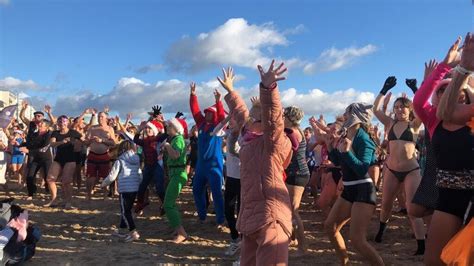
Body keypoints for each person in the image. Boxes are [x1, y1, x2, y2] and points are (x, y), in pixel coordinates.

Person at [220, 62, 293, 265]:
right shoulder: (250, 141)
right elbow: (242, 115)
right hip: (251, 217)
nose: (248, 121)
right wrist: (231, 91)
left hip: (271, 219)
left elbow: (273, 119)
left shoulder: (273, 143)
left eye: (254, 118)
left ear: (262, 124)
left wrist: (268, 89)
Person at [421, 34, 474, 266]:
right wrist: (462, 69)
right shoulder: (441, 117)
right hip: (448, 192)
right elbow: (444, 112)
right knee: (434, 262)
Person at [322, 103, 384, 266]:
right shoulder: (345, 135)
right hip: (349, 188)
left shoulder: (364, 138)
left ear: (356, 116)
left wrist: (347, 152)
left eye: (347, 112)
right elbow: (338, 161)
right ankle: (345, 263)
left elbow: (362, 168)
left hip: (363, 189)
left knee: (357, 240)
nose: (344, 115)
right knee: (330, 227)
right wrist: (330, 148)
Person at [372, 76, 426, 255]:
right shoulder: (390, 123)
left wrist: (416, 90)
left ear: (410, 109)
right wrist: (383, 89)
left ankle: (421, 244)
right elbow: (375, 109)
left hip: (411, 171)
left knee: (412, 208)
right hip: (391, 169)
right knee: (386, 204)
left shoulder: (415, 124)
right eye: (396, 107)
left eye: (403, 106)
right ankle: (381, 231)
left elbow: (423, 108)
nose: (399, 109)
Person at [189, 81, 226, 225]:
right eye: (207, 113)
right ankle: (202, 216)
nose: (207, 115)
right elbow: (195, 111)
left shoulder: (219, 127)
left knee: (217, 194)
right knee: (196, 190)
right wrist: (193, 95)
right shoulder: (202, 124)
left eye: (210, 113)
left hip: (214, 165)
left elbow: (222, 117)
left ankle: (220, 219)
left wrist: (218, 102)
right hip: (201, 166)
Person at [101, 140, 142, 242]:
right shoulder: (136, 160)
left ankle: (133, 232)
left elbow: (112, 176)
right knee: (127, 209)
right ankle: (122, 230)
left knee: (125, 212)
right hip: (135, 189)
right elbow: (140, 174)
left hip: (125, 189)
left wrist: (103, 184)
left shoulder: (120, 161)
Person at [283, 105, 310, 255]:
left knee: (294, 211)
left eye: (284, 116)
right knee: (289, 210)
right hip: (296, 173)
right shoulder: (295, 130)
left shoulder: (292, 132)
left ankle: (302, 247)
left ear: (289, 118)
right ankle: (292, 239)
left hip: (298, 174)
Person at [45, 115, 82, 209]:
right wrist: (62, 142)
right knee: (50, 179)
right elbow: (52, 144)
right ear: (57, 123)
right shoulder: (55, 133)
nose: (62, 123)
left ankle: (68, 201)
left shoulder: (73, 132)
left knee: (66, 181)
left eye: (64, 121)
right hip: (58, 158)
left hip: (70, 159)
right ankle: (54, 200)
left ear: (67, 122)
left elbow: (84, 140)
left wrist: (92, 140)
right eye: (60, 121)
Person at [162, 118, 189, 244]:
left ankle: (182, 233)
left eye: (170, 126)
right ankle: (177, 228)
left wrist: (167, 146)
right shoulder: (175, 139)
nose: (167, 127)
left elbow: (175, 155)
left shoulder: (177, 139)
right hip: (175, 173)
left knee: (168, 204)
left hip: (177, 174)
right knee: (171, 203)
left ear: (176, 128)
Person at [133, 119, 168, 214]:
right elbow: (135, 140)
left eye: (150, 128)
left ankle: (165, 204)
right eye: (146, 128)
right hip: (148, 166)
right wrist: (139, 129)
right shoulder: (144, 141)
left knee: (159, 188)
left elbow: (166, 134)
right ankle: (140, 203)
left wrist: (164, 123)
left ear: (154, 131)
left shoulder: (157, 139)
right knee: (142, 187)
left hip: (157, 166)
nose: (147, 130)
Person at [84, 112, 116, 200]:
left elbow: (113, 143)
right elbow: (86, 142)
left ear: (106, 118)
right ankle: (89, 194)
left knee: (105, 176)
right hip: (92, 154)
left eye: (102, 117)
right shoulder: (92, 128)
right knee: (90, 176)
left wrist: (102, 140)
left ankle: (105, 195)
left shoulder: (110, 129)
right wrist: (89, 140)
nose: (99, 118)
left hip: (104, 155)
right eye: (98, 117)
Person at [19, 120, 53, 200]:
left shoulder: (48, 135)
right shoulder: (34, 134)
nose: (39, 125)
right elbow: (29, 144)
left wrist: (29, 151)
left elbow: (43, 148)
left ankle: (49, 193)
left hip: (46, 159)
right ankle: (31, 194)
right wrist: (19, 145)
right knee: (30, 176)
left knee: (47, 177)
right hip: (36, 158)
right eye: (39, 123)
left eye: (41, 124)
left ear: (46, 127)